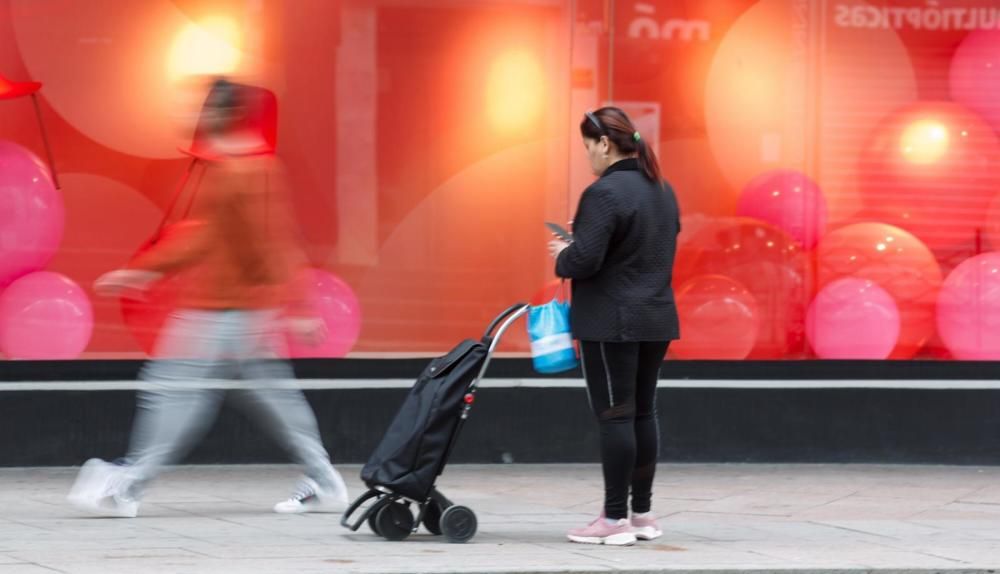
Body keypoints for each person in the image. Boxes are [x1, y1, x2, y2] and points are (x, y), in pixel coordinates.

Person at [67, 79, 348, 518]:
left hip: (224, 311)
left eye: (200, 108)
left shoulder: (246, 169)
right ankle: (325, 479)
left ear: (220, 114)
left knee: (173, 392)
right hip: (236, 311)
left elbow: (270, 243)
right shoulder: (237, 165)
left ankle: (128, 486)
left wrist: (297, 308)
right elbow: (212, 239)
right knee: (273, 399)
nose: (192, 115)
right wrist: (142, 272)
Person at [548, 107, 681, 546]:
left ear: (604, 144)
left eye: (588, 147)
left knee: (615, 416)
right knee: (644, 412)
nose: (587, 157)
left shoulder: (603, 193)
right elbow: (648, 247)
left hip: (611, 321)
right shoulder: (663, 189)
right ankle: (641, 514)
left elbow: (586, 259)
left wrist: (562, 254)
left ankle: (613, 519)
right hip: (656, 317)